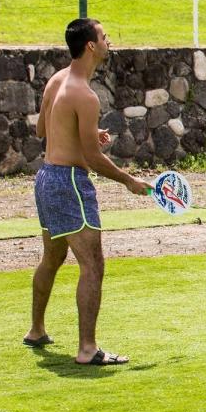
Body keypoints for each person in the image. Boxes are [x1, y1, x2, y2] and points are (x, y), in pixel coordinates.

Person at [24, 18, 150, 365]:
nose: (109, 40)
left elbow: (41, 130)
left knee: (52, 258)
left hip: (47, 178)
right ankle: (87, 349)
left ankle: (36, 330)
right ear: (91, 47)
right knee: (93, 265)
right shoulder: (85, 94)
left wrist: (87, 133)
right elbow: (93, 160)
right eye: (104, 36)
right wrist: (129, 180)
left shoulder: (57, 80)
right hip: (69, 184)